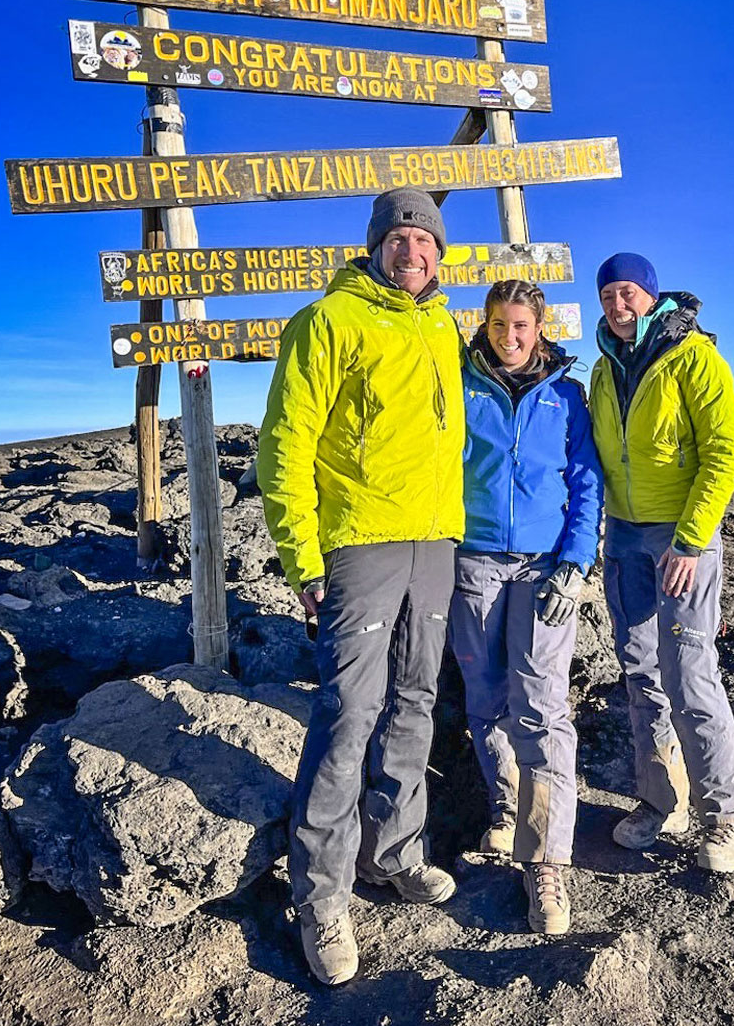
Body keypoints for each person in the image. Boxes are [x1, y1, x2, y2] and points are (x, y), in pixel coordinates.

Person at [257, 190, 465, 985]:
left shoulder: (444, 325)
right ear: (375, 246)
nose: (411, 249)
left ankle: (394, 852)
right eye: (398, 237)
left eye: (424, 237)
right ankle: (320, 897)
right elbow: (286, 441)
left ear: (439, 253)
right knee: (348, 715)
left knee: (414, 703)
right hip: (360, 545)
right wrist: (303, 559)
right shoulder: (328, 320)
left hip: (435, 542)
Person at [588, 253, 734, 873]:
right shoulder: (606, 369)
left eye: (627, 291)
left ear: (651, 297)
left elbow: (726, 452)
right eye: (608, 294)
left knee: (690, 674)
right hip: (624, 535)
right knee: (639, 672)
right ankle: (662, 801)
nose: (617, 303)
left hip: (680, 538)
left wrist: (688, 541)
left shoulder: (694, 358)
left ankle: (727, 814)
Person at [448, 280, 602, 934]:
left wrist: (575, 561)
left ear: (539, 328)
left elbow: (586, 481)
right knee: (483, 696)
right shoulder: (460, 387)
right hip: (475, 559)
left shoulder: (566, 395)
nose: (510, 337)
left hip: (544, 566)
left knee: (540, 705)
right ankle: (505, 806)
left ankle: (546, 862)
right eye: (499, 324)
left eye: (521, 326)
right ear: (484, 325)